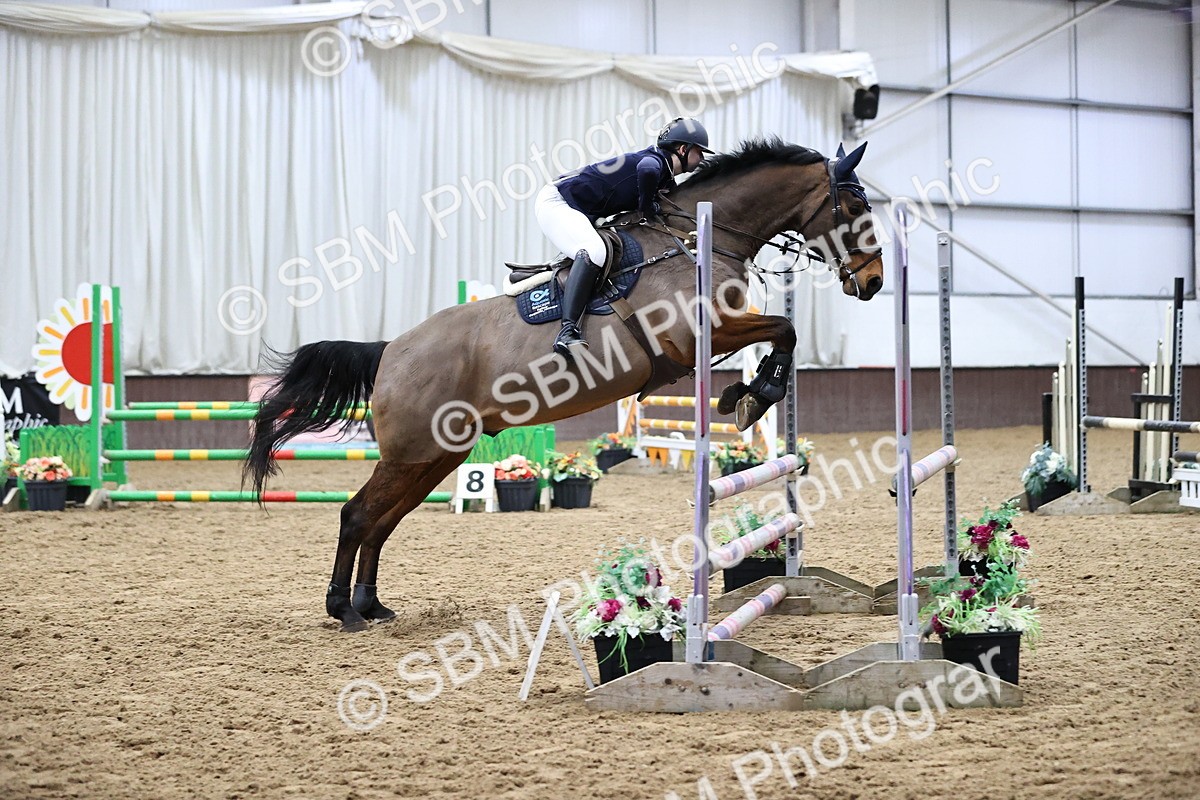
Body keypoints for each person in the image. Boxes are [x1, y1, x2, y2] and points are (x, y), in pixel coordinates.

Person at [534, 117, 714, 357]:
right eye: (699, 151)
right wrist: (647, 205)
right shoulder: (655, 161)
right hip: (557, 202)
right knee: (594, 250)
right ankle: (567, 330)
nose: (701, 159)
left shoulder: (666, 177)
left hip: (581, 209)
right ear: (683, 149)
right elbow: (645, 170)